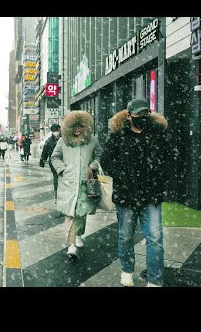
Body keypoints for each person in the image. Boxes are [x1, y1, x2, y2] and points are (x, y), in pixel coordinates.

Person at [100, 99, 172, 287]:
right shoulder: (118, 135)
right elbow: (106, 160)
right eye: (138, 115)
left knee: (155, 238)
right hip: (126, 195)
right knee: (126, 236)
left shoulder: (158, 134)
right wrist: (122, 176)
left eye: (145, 113)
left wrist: (161, 178)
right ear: (129, 116)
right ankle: (127, 270)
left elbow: (169, 159)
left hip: (151, 195)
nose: (142, 118)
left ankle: (155, 279)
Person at [51, 110, 102, 261]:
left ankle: (78, 235)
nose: (77, 129)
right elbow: (55, 157)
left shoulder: (92, 141)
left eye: (80, 126)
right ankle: (71, 244)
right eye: (74, 126)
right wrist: (63, 170)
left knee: (81, 212)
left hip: (86, 183)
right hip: (68, 183)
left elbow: (100, 156)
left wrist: (92, 166)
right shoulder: (62, 141)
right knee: (70, 214)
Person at [40, 124, 61, 203]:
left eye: (57, 130)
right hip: (53, 163)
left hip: (64, 162)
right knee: (56, 178)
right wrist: (42, 161)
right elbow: (45, 152)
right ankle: (57, 196)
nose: (56, 132)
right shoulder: (49, 141)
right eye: (54, 131)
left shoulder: (64, 138)